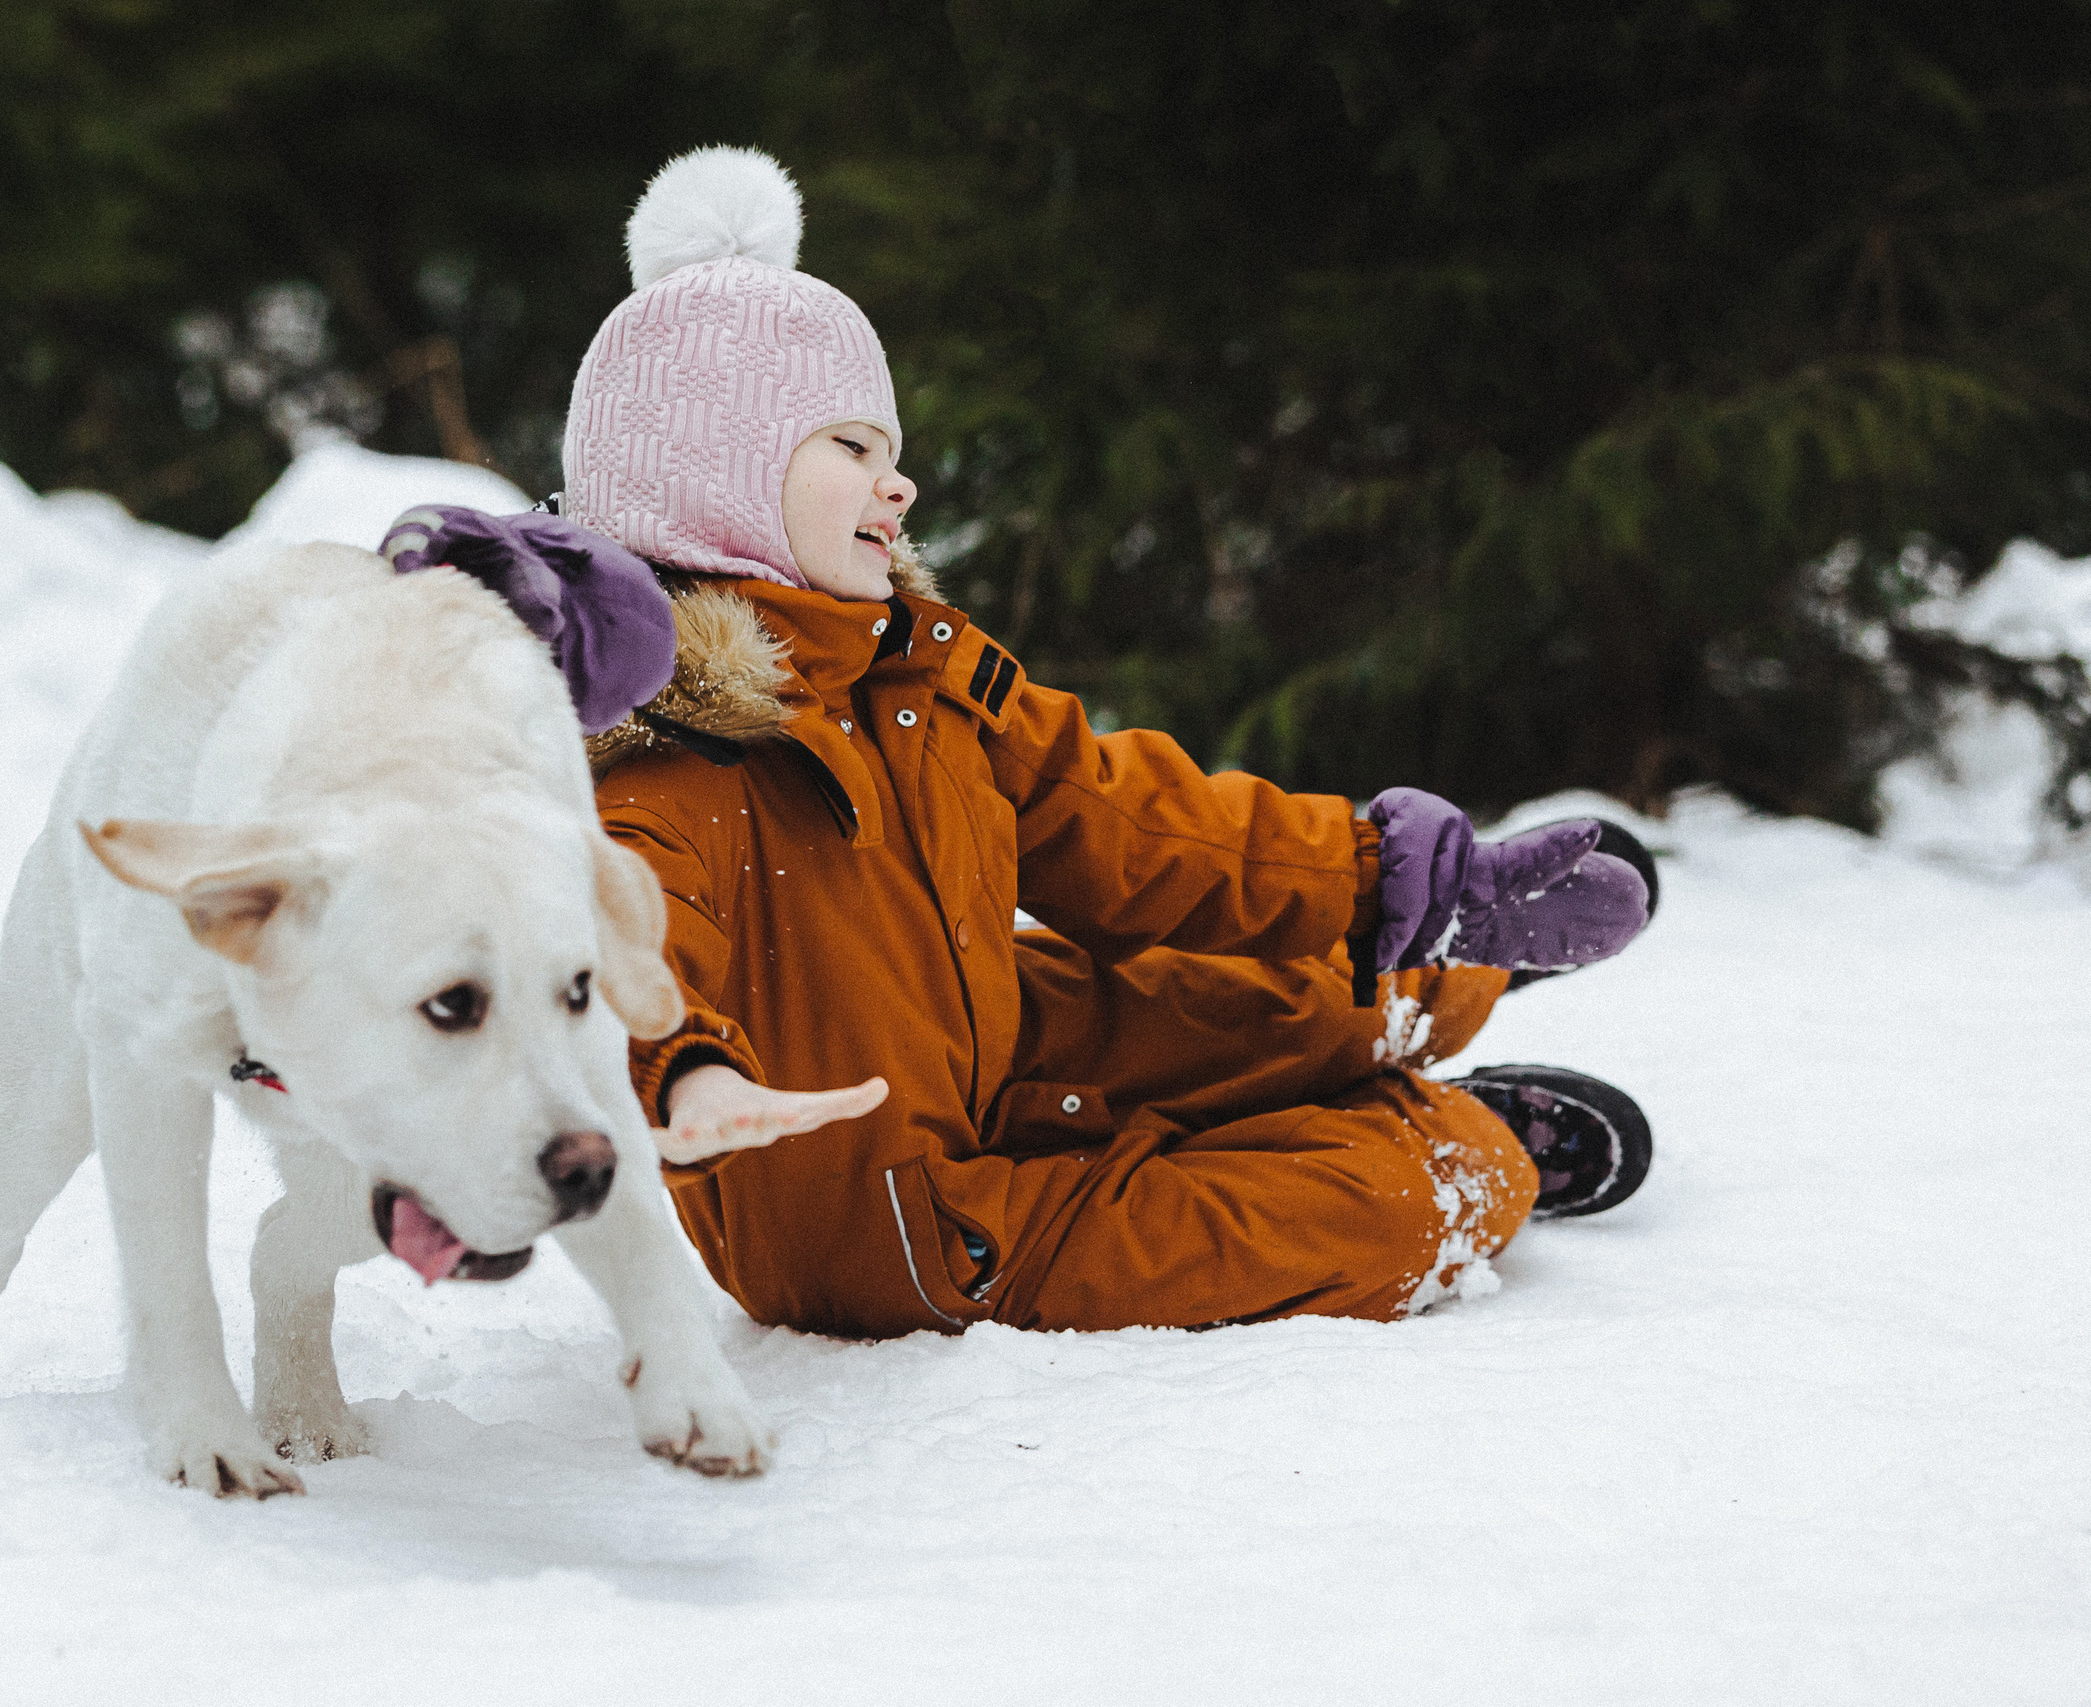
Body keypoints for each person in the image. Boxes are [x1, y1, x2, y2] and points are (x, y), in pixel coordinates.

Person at [386, 147, 1653, 1340]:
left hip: (979, 1030)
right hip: (899, 1227)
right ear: (710, 472)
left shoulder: (910, 679)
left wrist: (1386, 876)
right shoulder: (671, 769)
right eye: (851, 449)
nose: (900, 487)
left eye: (892, 454)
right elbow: (611, 958)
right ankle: (1472, 1146)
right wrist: (683, 1083)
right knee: (1389, 1198)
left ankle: (1429, 966)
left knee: (1257, 989)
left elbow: (1134, 828)